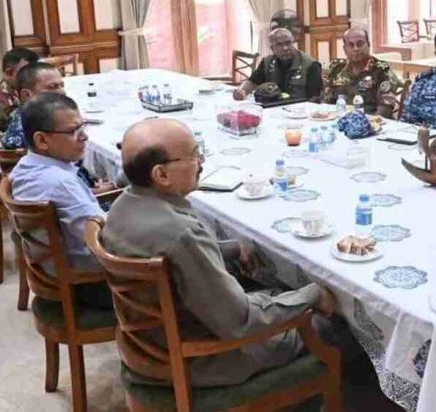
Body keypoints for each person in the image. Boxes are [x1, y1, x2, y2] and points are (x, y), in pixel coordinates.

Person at [101, 118, 338, 387]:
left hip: (147, 346)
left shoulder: (122, 205)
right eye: (193, 155)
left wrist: (234, 248)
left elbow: (174, 259)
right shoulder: (181, 233)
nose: (201, 162)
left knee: (274, 292)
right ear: (161, 175)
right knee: (334, 323)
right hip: (200, 358)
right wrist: (312, 294)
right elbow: (240, 321)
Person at [10, 92, 112, 308]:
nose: (84, 137)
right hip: (90, 284)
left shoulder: (25, 166)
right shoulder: (60, 182)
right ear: (42, 140)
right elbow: (103, 241)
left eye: (82, 127)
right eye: (73, 131)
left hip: (54, 272)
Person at [2, 62, 116, 193]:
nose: (61, 91)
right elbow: (50, 188)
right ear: (27, 95)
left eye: (62, 85)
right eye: (52, 87)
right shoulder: (31, 130)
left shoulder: (30, 118)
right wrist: (108, 190)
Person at [321, 26, 402, 117]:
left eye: (360, 44)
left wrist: (366, 125)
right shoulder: (336, 69)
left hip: (371, 124)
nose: (356, 49)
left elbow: (385, 110)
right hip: (339, 122)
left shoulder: (381, 70)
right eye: (351, 45)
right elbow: (326, 104)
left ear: (368, 45)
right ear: (344, 49)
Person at [233, 27, 323, 102]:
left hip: (300, 113)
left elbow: (315, 98)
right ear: (272, 48)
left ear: (293, 43)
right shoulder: (267, 62)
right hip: (274, 109)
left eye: (288, 43)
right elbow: (253, 82)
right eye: (279, 44)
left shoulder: (310, 64)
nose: (285, 48)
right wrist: (242, 92)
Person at [0, 47, 39, 130]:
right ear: (9, 73)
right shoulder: (3, 99)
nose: (34, 77)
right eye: (27, 72)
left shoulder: (21, 89)